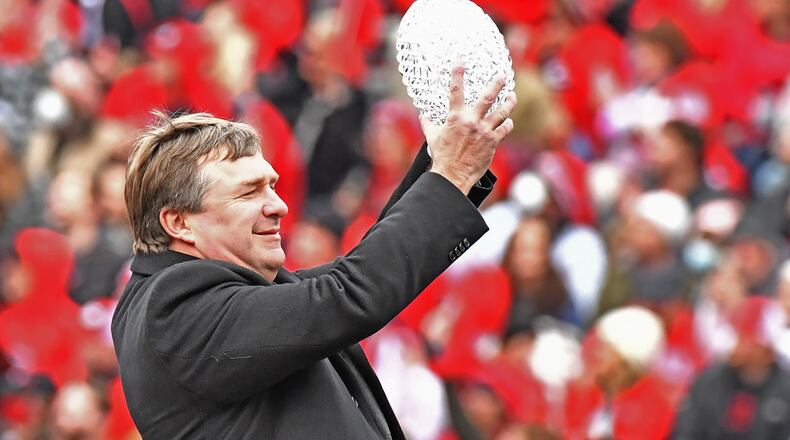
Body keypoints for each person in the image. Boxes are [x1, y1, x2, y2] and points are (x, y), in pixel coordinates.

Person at [111, 66, 517, 439]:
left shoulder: (202, 297)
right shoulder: (174, 307)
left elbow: (346, 278)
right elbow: (348, 293)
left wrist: (442, 164)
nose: (278, 205)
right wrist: (450, 178)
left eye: (270, 185)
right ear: (179, 223)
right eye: (248, 192)